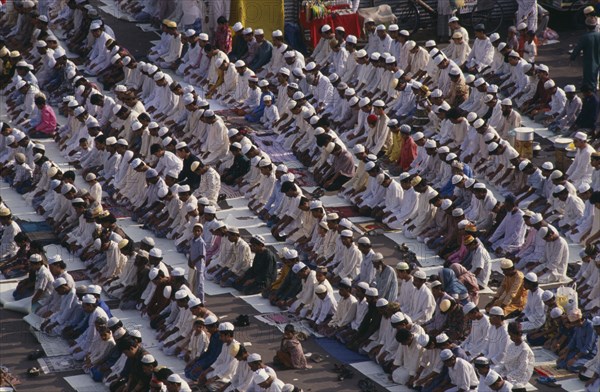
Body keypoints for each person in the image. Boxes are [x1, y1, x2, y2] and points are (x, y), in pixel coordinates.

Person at [570, 18, 600, 90]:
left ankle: (592, 95)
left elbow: (577, 49)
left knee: (590, 81)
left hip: (590, 62)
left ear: (586, 26)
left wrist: (572, 57)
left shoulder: (585, 37)